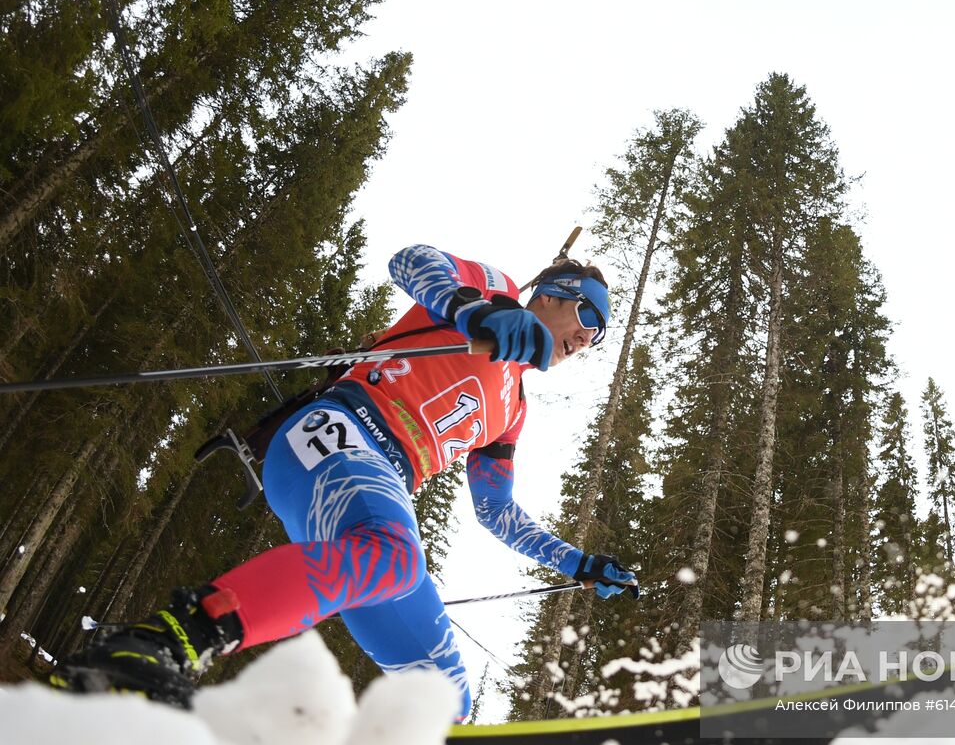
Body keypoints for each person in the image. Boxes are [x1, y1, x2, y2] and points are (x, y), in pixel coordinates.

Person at [52, 243, 638, 719]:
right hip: (337, 427)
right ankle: (161, 645)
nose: (589, 337)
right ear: (554, 294)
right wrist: (472, 311)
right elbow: (411, 260)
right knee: (396, 553)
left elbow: (496, 511)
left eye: (600, 337)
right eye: (589, 316)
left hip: (382, 485)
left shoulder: (512, 410)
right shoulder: (495, 289)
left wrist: (579, 563)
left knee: (444, 700)